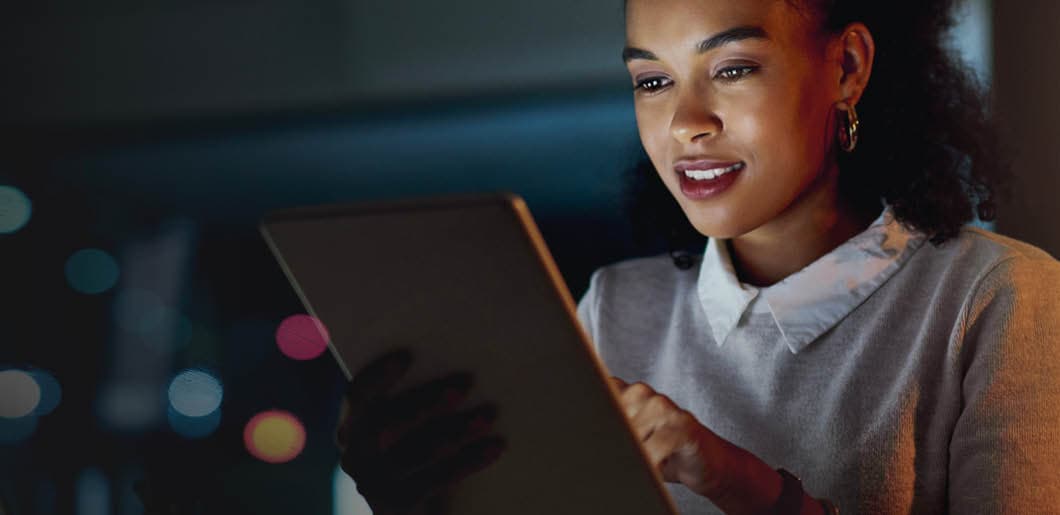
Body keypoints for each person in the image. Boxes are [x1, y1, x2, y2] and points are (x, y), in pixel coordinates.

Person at [337, 0, 1060, 513]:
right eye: (652, 81)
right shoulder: (617, 308)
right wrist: (422, 495)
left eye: (733, 68)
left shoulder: (998, 298)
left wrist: (740, 482)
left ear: (847, 66)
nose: (685, 123)